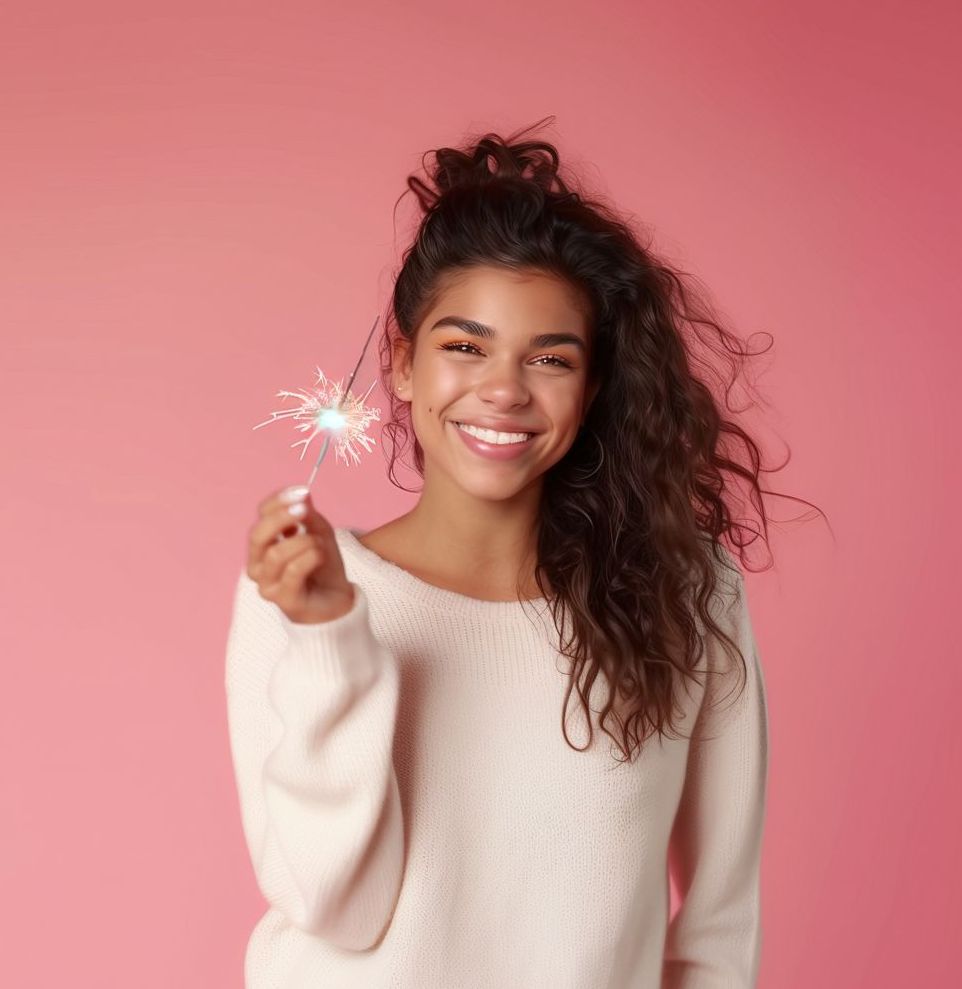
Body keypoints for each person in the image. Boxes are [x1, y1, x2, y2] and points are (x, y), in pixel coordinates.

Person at [225, 120, 790, 988]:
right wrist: (331, 639)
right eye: (464, 346)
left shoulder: (686, 591)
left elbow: (720, 925)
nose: (502, 389)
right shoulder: (303, 593)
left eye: (549, 358)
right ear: (403, 364)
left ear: (592, 386)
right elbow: (339, 907)